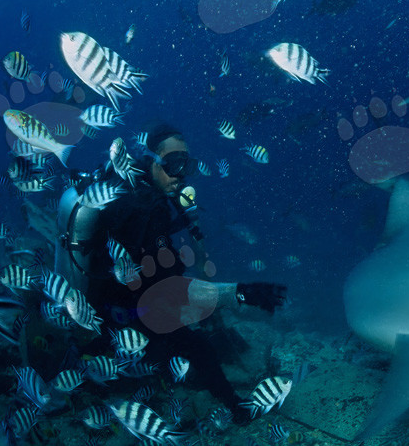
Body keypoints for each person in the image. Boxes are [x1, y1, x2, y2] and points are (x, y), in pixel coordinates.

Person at [82, 123, 285, 422]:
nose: (181, 175)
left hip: (129, 304)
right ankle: (235, 407)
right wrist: (239, 293)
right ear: (151, 161)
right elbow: (162, 286)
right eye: (174, 164)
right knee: (198, 348)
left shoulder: (147, 198)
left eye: (186, 165)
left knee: (196, 340)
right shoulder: (139, 207)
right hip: (120, 316)